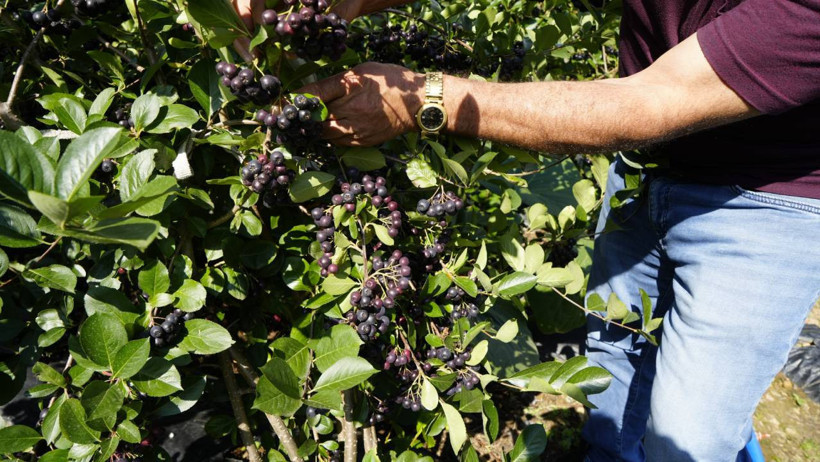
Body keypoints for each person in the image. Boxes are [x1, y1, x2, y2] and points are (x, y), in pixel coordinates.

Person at [234, 0, 820, 460]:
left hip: (770, 201)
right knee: (615, 358)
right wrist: (343, 3)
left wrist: (423, 101)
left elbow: (652, 102)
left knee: (690, 435)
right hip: (648, 167)